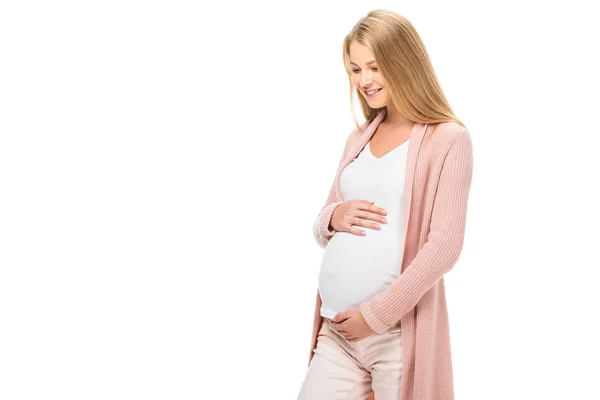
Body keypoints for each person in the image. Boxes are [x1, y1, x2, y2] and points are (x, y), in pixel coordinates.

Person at [297, 9, 474, 400]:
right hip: (337, 333)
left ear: (403, 62)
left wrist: (375, 317)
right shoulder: (358, 138)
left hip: (396, 335)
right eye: (355, 69)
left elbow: (444, 246)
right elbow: (322, 226)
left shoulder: (448, 140)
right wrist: (333, 217)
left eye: (374, 67)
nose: (364, 80)